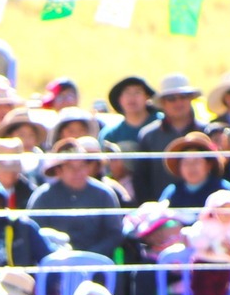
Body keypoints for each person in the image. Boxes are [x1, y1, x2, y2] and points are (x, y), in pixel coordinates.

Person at [26, 142, 126, 258]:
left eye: (82, 166)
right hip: (55, 263)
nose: (77, 172)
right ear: (59, 171)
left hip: (97, 263)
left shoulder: (104, 194)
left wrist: (90, 256)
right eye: (70, 167)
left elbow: (114, 234)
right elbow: (34, 233)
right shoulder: (43, 196)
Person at [133, 74, 203, 203]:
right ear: (163, 103)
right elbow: (141, 180)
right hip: (162, 213)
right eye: (171, 98)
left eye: (183, 97)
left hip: (205, 211)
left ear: (191, 99)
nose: (178, 103)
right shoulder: (148, 136)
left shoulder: (205, 132)